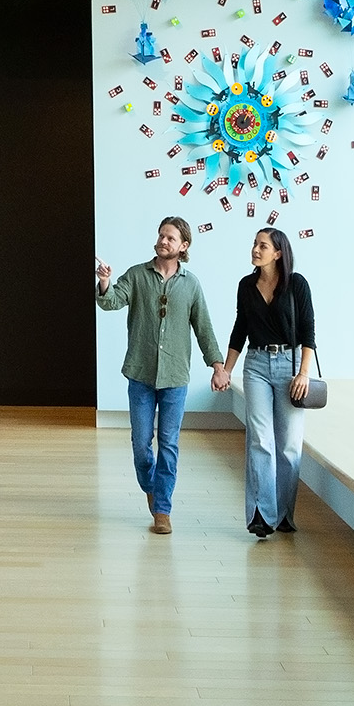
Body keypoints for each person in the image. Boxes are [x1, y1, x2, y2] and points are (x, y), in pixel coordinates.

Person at [95, 217, 225, 535]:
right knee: (142, 446)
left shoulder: (191, 284)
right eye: (161, 235)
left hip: (175, 378)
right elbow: (110, 302)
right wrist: (104, 282)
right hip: (140, 374)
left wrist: (217, 365)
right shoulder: (137, 275)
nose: (163, 241)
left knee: (169, 444)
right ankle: (151, 485)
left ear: (183, 246)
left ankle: (162, 510)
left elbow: (204, 327)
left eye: (170, 238)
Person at [214, 227, 317, 539]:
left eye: (262, 245)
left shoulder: (297, 284)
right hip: (256, 364)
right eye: (254, 243)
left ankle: (284, 513)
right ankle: (262, 514)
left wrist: (303, 373)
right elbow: (239, 330)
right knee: (260, 439)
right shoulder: (246, 286)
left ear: (278, 253)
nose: (255, 249)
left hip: (290, 365)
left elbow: (308, 331)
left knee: (288, 445)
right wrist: (225, 370)